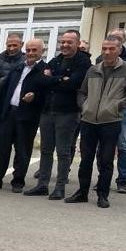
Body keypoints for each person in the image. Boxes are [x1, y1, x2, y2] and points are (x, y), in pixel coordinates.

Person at [66, 35, 126, 208]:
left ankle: (102, 194)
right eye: (104, 48)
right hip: (89, 121)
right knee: (85, 160)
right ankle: (82, 192)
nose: (107, 52)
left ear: (119, 50)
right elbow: (82, 92)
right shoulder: (93, 70)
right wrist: (85, 106)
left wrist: (116, 107)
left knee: (106, 161)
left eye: (111, 49)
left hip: (111, 122)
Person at [25, 30, 91, 200]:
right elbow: (41, 80)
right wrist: (61, 79)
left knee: (63, 152)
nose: (65, 45)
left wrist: (53, 79)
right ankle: (42, 185)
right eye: (63, 42)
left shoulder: (83, 62)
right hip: (47, 111)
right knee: (46, 150)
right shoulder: (56, 60)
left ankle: (60, 187)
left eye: (69, 42)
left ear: (77, 43)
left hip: (67, 113)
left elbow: (74, 84)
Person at [0, 39, 46, 192]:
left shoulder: (45, 71)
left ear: (42, 52)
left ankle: (18, 181)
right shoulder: (17, 67)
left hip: (28, 116)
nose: (31, 53)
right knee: (0, 148)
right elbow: (2, 92)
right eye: (29, 50)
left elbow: (47, 94)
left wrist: (35, 96)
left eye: (34, 50)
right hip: (8, 112)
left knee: (23, 150)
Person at [96, 28, 126, 193]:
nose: (112, 41)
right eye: (111, 37)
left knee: (123, 145)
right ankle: (102, 178)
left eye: (117, 38)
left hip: (125, 107)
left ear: (122, 41)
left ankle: (123, 180)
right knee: (102, 145)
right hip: (104, 108)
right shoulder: (101, 59)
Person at [0, 33, 25, 185]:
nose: (12, 48)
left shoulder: (26, 60)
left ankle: (17, 180)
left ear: (21, 44)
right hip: (1, 109)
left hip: (20, 110)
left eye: (15, 45)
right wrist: (14, 77)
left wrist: (9, 78)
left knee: (20, 148)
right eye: (9, 45)